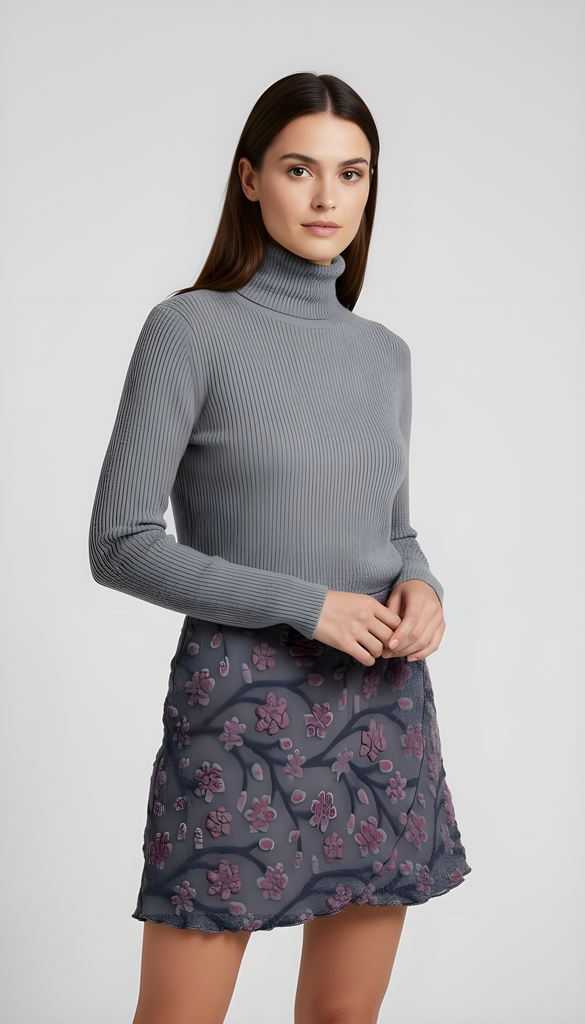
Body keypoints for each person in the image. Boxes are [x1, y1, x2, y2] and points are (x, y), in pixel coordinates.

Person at [89, 71, 471, 1024]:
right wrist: (306, 605)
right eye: (300, 169)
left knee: (343, 1017)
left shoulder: (384, 353)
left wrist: (422, 585)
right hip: (239, 703)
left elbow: (392, 527)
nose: (327, 196)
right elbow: (120, 543)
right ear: (251, 177)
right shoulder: (189, 329)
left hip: (379, 702)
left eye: (352, 173)